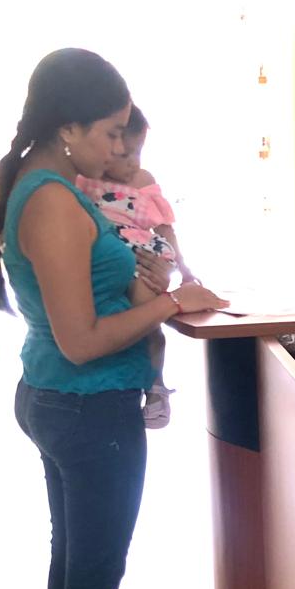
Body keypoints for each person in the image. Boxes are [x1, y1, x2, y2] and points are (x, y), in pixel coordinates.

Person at [0, 47, 225, 589]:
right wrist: (173, 303)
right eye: (112, 132)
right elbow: (82, 340)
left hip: (61, 399)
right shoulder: (52, 200)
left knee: (75, 560)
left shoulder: (50, 184)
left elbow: (90, 297)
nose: (120, 147)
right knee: (92, 573)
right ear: (69, 127)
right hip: (86, 407)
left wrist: (151, 283)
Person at [78, 104, 192, 427]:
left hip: (144, 252)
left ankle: (156, 387)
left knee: (147, 317)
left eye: (139, 152)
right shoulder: (85, 180)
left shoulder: (143, 180)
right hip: (108, 254)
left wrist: (183, 268)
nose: (134, 162)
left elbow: (165, 228)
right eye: (125, 154)